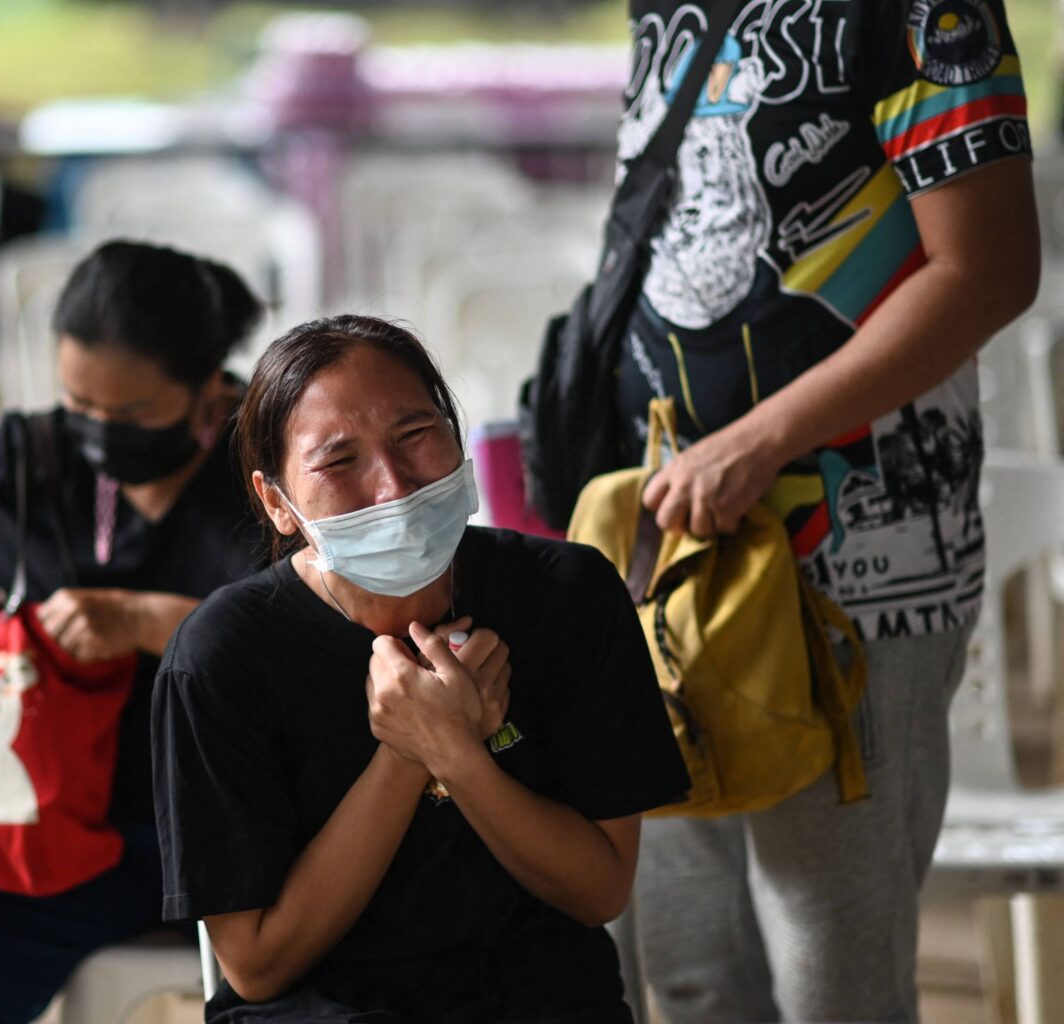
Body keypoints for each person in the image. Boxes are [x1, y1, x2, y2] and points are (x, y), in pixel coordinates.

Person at [611, 2, 1040, 1020]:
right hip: (676, 556)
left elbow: (989, 269)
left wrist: (760, 440)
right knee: (693, 963)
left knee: (833, 979)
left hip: (859, 568)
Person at [152, 315, 690, 1024]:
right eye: (338, 462)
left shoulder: (568, 594)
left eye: (414, 434)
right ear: (277, 503)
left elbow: (599, 891)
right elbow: (256, 967)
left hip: (539, 999)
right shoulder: (222, 658)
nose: (393, 487)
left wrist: (458, 758)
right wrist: (408, 752)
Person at [0, 239, 268, 1023]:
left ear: (210, 389)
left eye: (131, 415)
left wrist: (146, 621)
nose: (99, 433)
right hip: (46, 827)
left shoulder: (270, 465)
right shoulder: (33, 462)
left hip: (240, 830)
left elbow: (319, 636)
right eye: (79, 404)